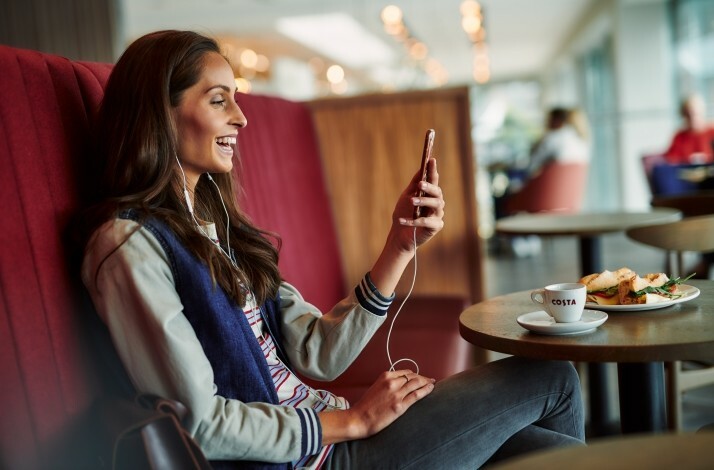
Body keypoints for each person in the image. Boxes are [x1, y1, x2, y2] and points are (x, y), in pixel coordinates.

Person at [79, 30, 585, 469]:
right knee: (552, 375)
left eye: (236, 97)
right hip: (312, 459)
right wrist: (352, 420)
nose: (241, 118)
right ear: (158, 115)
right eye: (218, 100)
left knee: (541, 450)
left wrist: (400, 245)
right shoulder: (130, 245)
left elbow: (318, 353)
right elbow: (202, 423)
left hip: (330, 435)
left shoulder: (216, 225)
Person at [525, 107, 590, 177]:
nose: (546, 123)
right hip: (568, 186)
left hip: (546, 184)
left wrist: (535, 148)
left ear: (557, 121)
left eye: (548, 120)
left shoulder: (553, 138)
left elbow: (532, 165)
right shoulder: (581, 141)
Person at [664, 94, 714, 164]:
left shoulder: (712, 132)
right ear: (683, 115)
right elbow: (671, 159)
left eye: (695, 114)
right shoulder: (679, 136)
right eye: (688, 114)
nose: (692, 118)